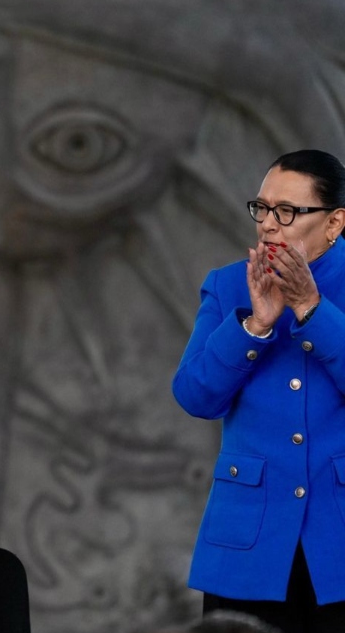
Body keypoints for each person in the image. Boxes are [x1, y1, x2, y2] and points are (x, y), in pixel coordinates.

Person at [173, 149, 345, 633]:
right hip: (248, 543)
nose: (269, 224)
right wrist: (253, 326)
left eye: (287, 211)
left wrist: (311, 307)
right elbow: (195, 395)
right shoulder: (230, 285)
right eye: (262, 208)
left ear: (334, 223)